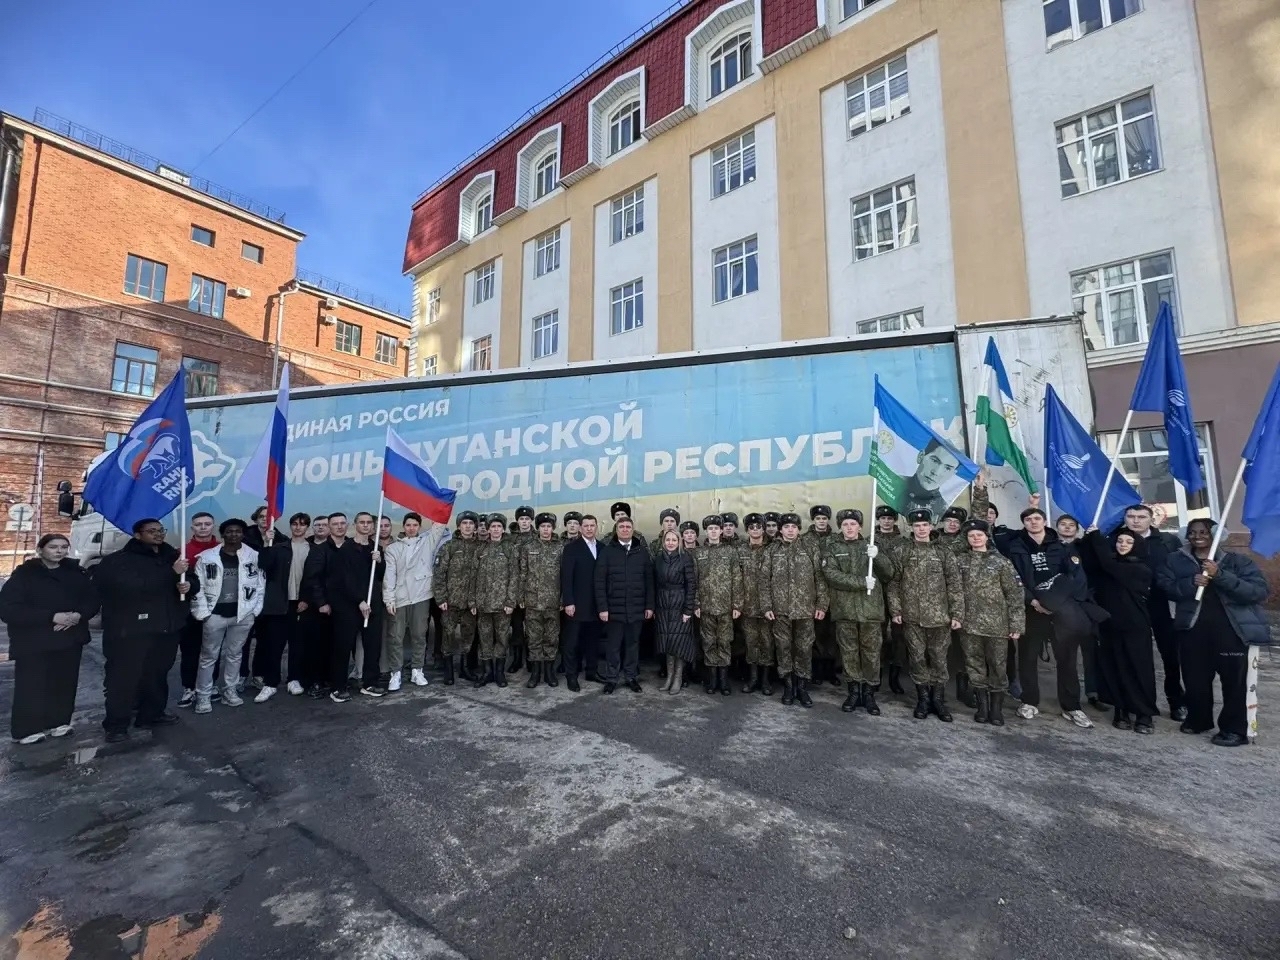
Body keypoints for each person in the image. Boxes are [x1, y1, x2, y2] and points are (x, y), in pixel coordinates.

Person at [1158, 519, 1270, 747]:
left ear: (1217, 535)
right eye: (1192, 532)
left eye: (1204, 532)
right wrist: (1191, 583)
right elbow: (1165, 586)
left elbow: (1257, 591)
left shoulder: (1237, 561)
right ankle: (1198, 719)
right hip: (1192, 630)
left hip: (1231, 632)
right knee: (1195, 679)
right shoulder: (1175, 560)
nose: (1197, 536)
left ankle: (1234, 729)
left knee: (1233, 682)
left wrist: (1220, 575)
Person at [94, 518, 192, 742]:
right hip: (131, 630)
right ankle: (117, 725)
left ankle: (152, 714)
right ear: (138, 535)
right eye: (151, 531)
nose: (158, 534)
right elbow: (131, 587)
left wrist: (188, 585)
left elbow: (190, 579)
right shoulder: (120, 560)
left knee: (156, 675)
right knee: (124, 678)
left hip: (166, 628)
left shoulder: (172, 556)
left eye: (160, 530)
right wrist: (170, 573)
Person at [0, 534, 99, 743]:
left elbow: (92, 599)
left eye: (64, 547)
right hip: (34, 640)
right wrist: (51, 617)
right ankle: (27, 729)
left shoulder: (76, 573)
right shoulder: (24, 576)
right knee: (32, 684)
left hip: (69, 636)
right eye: (53, 547)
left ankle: (59, 721)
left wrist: (78, 615)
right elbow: (8, 609)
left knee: (64, 681)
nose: (59, 551)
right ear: (40, 549)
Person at [1005, 506, 1092, 728]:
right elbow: (1013, 579)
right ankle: (1029, 702)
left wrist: (1056, 603)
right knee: (1027, 657)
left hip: (1061, 611)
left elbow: (1075, 578)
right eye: (1028, 520)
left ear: (1044, 521)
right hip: (1032, 609)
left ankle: (1071, 706)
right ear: (1024, 524)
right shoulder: (1016, 548)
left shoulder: (1061, 547)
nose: (1033, 522)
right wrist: (1033, 601)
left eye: (1037, 518)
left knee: (1067, 659)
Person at [888, 509, 964, 721]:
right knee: (917, 658)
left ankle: (938, 700)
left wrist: (957, 613)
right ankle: (923, 699)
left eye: (924, 525)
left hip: (940, 617)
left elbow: (954, 584)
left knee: (939, 659)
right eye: (917, 526)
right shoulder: (902, 551)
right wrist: (896, 610)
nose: (921, 529)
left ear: (931, 526)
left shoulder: (943, 552)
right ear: (911, 528)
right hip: (912, 616)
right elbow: (894, 584)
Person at [1083, 527, 1156, 733]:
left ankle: (1144, 713)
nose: (1123, 545)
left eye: (1128, 542)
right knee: (1115, 668)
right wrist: (1089, 540)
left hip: (1135, 626)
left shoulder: (1140, 568)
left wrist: (1096, 537)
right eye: (1119, 541)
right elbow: (1092, 565)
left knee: (1139, 669)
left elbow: (1109, 565)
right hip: (1110, 625)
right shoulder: (1108, 566)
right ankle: (1121, 709)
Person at [821, 509, 893, 715]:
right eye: (845, 524)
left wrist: (877, 557)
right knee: (849, 653)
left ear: (860, 526)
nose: (849, 528)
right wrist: (861, 582)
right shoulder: (833, 548)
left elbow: (889, 574)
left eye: (853, 524)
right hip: (845, 610)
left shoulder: (871, 546)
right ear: (840, 527)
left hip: (870, 611)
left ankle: (869, 694)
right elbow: (831, 575)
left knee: (871, 654)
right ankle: (853, 692)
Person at [190, 519, 265, 714]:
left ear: (243, 534)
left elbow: (260, 585)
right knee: (208, 656)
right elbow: (198, 587)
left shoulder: (254, 556)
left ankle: (229, 690)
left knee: (235, 654)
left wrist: (255, 610)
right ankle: (203, 695)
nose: (233, 534)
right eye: (229, 531)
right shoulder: (207, 557)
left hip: (242, 615)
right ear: (223, 534)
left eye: (238, 531)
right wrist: (203, 613)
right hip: (214, 615)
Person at [954, 520, 1023, 725]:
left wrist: (1016, 624)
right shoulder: (960, 561)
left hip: (996, 625)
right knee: (974, 665)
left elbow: (1014, 594)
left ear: (987, 537)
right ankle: (982, 708)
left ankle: (996, 710)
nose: (976, 538)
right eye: (971, 535)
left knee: (998, 666)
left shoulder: (1001, 562)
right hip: (969, 624)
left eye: (979, 535)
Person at [1122, 505, 1186, 722]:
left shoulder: (1167, 542)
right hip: (1131, 605)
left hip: (1162, 604)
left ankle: (1176, 700)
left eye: (1141, 517)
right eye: (1131, 516)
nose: (1136, 521)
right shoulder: (1118, 540)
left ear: (1151, 519)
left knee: (1171, 655)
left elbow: (1180, 569)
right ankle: (1136, 701)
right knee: (1136, 656)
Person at [763, 513, 827, 708]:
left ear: (799, 529)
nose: (790, 530)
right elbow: (764, 580)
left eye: (794, 527)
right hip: (780, 609)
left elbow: (820, 577)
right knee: (783, 648)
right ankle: (788, 686)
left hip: (805, 609)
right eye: (786, 527)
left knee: (804, 648)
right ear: (780, 530)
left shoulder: (810, 547)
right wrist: (767, 605)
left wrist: (821, 604)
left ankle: (802, 687)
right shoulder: (772, 550)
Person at [381, 512, 445, 691]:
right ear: (403, 526)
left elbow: (439, 527)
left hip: (421, 597)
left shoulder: (427, 542)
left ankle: (418, 670)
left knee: (419, 635)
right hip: (400, 598)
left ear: (419, 527)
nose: (411, 528)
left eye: (415, 525)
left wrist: (440, 507)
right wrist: (389, 599)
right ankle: (396, 673)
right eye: (408, 525)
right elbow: (389, 576)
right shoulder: (393, 549)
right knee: (396, 637)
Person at [252, 512, 310, 702]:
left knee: (297, 645)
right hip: (279, 604)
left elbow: (315, 578)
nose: (298, 527)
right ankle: (270, 683)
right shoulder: (279, 547)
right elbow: (263, 565)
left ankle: (294, 679)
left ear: (307, 527)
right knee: (274, 645)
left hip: (301, 604)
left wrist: (306, 599)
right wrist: (265, 544)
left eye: (302, 524)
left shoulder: (312, 549)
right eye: (295, 524)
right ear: (290, 526)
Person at [594, 516, 654, 694]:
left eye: (628, 527)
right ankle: (611, 679)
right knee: (613, 646)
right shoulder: (607, 552)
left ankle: (631, 677)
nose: (625, 529)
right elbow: (599, 581)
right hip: (614, 609)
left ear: (632, 530)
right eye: (622, 527)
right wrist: (603, 608)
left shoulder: (641, 552)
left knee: (632, 645)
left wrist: (649, 606)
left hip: (636, 608)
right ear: (617, 530)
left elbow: (649, 581)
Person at [693, 515, 743, 696]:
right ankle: (712, 680)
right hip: (706, 607)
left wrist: (737, 605)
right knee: (708, 643)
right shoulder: (698, 553)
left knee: (724, 642)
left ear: (721, 531)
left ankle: (723, 680)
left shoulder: (730, 551)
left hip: (725, 607)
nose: (713, 531)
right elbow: (694, 581)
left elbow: (737, 579)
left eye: (716, 528)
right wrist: (696, 603)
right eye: (710, 529)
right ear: (706, 531)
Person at [434, 511, 480, 685]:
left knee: (468, 636)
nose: (467, 526)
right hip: (450, 601)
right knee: (448, 634)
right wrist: (441, 598)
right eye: (464, 523)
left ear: (475, 527)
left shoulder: (480, 547)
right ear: (459, 526)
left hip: (471, 602)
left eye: (471, 523)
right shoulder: (449, 547)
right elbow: (439, 574)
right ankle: (448, 671)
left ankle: (464, 669)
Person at [472, 514, 518, 688]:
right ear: (489, 529)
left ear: (503, 529)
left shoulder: (509, 548)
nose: (496, 529)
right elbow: (473, 576)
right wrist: (472, 601)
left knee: (502, 639)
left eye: (499, 526)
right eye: (493, 526)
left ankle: (499, 673)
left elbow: (514, 577)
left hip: (502, 605)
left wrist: (510, 602)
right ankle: (487, 672)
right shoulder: (480, 549)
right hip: (483, 604)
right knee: (485, 638)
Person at [520, 512, 564, 688]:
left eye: (549, 526)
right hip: (532, 601)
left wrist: (563, 598)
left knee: (551, 638)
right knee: (534, 639)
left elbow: (565, 575)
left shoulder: (560, 548)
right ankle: (536, 673)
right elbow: (523, 573)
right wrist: (521, 596)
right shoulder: (528, 547)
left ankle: (549, 672)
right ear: (538, 528)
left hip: (553, 602)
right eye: (543, 526)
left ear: (553, 528)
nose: (546, 530)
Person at [178, 512, 218, 708]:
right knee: (190, 650)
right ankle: (189, 687)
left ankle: (211, 685)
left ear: (213, 526)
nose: (203, 527)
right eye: (198, 524)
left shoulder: (222, 549)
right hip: (190, 611)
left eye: (207, 524)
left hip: (216, 608)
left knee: (213, 650)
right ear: (192, 527)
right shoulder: (182, 552)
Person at [561, 514, 602, 691]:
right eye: (586, 526)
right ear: (580, 528)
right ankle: (571, 676)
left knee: (593, 641)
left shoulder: (602, 547)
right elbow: (566, 577)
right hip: (576, 605)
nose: (589, 528)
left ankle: (592, 671)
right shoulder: (571, 548)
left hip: (596, 604)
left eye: (592, 525)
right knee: (572, 642)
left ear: (596, 527)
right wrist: (568, 602)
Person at [654, 530, 696, 695]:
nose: (670, 543)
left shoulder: (685, 558)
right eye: (668, 540)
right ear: (664, 541)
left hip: (679, 604)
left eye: (674, 540)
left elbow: (691, 585)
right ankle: (669, 677)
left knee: (680, 643)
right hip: (663, 605)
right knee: (667, 642)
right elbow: (655, 583)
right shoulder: (659, 559)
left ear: (679, 542)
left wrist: (688, 609)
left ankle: (678, 678)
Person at [738, 513, 775, 695]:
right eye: (751, 527)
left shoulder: (772, 548)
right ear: (747, 530)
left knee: (767, 643)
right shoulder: (741, 550)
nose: (755, 530)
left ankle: (766, 680)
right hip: (748, 606)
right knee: (751, 642)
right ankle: (753, 679)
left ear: (763, 529)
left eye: (758, 527)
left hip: (769, 606)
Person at [874, 504, 908, 695]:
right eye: (883, 518)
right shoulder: (870, 540)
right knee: (876, 636)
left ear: (894, 520)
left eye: (889, 518)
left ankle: (895, 677)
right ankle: (877, 674)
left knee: (898, 637)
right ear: (878, 520)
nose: (886, 521)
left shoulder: (903, 542)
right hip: (876, 593)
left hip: (899, 594)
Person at [905, 440, 961, 522]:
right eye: (934, 461)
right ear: (921, 456)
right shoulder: (894, 484)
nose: (936, 472)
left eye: (947, 468)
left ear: (952, 474)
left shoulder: (943, 509)